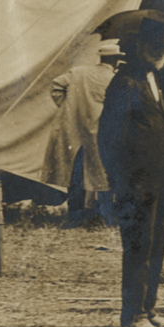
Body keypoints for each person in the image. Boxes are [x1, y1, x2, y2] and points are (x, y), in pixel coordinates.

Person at [96, 30, 164, 327]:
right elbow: (108, 135)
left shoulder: (151, 78)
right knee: (138, 246)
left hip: (157, 178)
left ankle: (148, 308)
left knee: (155, 244)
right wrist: (118, 177)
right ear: (146, 48)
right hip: (135, 180)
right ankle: (133, 314)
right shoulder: (125, 83)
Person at [46, 48, 113, 226]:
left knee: (75, 175)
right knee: (102, 175)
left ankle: (75, 216)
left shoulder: (78, 72)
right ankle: (101, 216)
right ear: (115, 60)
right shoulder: (113, 78)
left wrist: (68, 109)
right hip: (98, 134)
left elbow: (56, 85)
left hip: (75, 132)